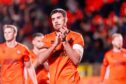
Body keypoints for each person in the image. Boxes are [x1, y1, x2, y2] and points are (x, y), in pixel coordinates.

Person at [38, 8, 84, 84]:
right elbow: (40, 60)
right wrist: (55, 44)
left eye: (58, 18)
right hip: (54, 81)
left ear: (65, 19)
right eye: (53, 19)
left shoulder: (76, 36)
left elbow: (76, 60)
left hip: (70, 80)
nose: (56, 21)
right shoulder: (47, 38)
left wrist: (64, 41)